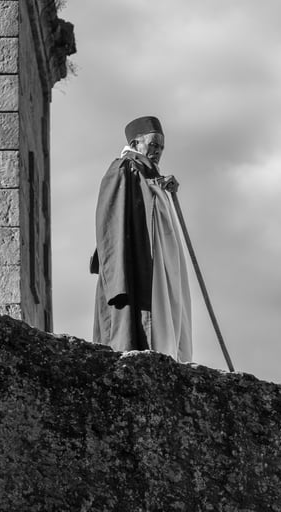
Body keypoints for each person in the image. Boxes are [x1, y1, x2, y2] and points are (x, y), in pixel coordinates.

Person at [90, 116, 192, 361]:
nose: (158, 152)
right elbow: (110, 222)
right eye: (153, 145)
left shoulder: (150, 175)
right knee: (136, 319)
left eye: (161, 148)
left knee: (168, 308)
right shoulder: (123, 169)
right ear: (135, 143)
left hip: (159, 263)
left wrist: (162, 187)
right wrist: (117, 276)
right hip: (137, 261)